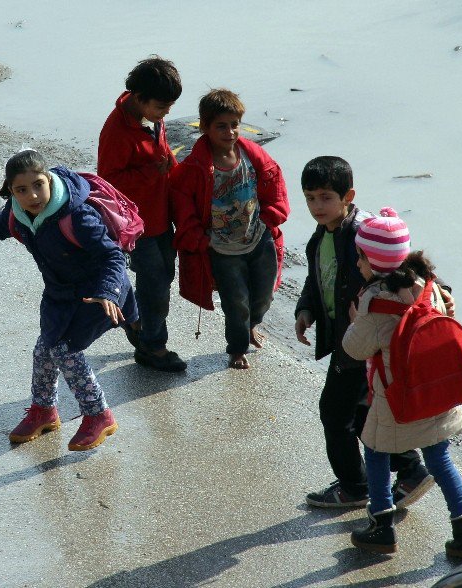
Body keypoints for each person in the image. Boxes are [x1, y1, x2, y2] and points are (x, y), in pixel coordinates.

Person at [0, 149, 138, 451]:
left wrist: (108, 293)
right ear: (11, 191)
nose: (32, 195)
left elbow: (112, 256)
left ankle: (99, 416)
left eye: (38, 184)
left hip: (98, 293)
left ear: (49, 180)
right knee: (44, 349)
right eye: (21, 189)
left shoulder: (77, 215)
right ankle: (44, 411)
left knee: (66, 351)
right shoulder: (16, 211)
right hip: (59, 293)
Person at [342, 208, 462, 559]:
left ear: (371, 262)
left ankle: (382, 526)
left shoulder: (375, 301)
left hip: (396, 397)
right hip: (436, 392)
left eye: (359, 257)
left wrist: (354, 318)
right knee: (440, 458)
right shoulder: (428, 286)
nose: (357, 264)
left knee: (375, 452)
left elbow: (354, 348)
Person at [295, 156, 434, 508]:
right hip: (350, 340)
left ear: (348, 196)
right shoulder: (322, 234)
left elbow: (392, 277)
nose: (316, 206)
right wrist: (306, 309)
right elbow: (318, 277)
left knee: (334, 412)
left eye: (326, 197)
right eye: (310, 197)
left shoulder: (364, 236)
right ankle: (408, 470)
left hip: (361, 342)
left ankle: (356, 485)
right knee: (361, 412)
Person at [169, 88, 289, 369]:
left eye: (234, 125)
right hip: (222, 247)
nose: (230, 132)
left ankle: (251, 326)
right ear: (204, 128)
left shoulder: (252, 154)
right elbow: (182, 204)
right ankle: (237, 348)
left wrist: (270, 218)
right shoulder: (195, 167)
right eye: (221, 126)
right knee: (236, 301)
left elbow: (275, 182)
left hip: (258, 237)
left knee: (264, 293)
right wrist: (200, 239)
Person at [97, 55, 186, 372]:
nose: (166, 114)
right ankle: (152, 347)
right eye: (162, 108)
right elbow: (108, 182)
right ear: (139, 98)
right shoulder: (116, 132)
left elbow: (164, 156)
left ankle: (136, 323)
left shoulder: (152, 118)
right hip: (137, 225)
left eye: (169, 108)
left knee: (164, 276)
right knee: (155, 284)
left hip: (161, 216)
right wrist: (152, 173)